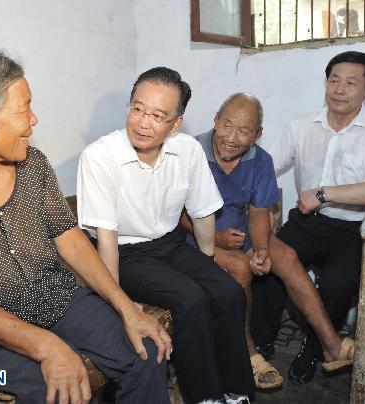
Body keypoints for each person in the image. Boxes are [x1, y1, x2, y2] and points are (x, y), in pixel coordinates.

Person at [0, 48, 172, 404]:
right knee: (53, 389)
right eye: (23, 108)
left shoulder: (32, 164)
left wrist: (125, 307)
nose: (34, 119)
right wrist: (48, 348)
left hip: (55, 298)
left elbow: (69, 236)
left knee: (148, 348)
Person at [77, 67, 254, 403]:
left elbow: (202, 213)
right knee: (191, 298)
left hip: (171, 245)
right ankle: (205, 396)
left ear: (175, 124)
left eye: (158, 116)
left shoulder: (186, 150)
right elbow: (106, 238)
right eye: (138, 109)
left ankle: (236, 392)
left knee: (228, 291)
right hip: (125, 255)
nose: (143, 122)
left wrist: (206, 267)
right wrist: (118, 305)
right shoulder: (100, 157)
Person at [251, 50, 365, 383]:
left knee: (339, 282)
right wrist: (266, 210)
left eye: (351, 82)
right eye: (334, 80)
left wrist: (324, 194)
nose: (340, 89)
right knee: (265, 263)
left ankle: (315, 346)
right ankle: (261, 344)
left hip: (350, 229)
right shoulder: (302, 125)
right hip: (304, 224)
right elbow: (265, 169)